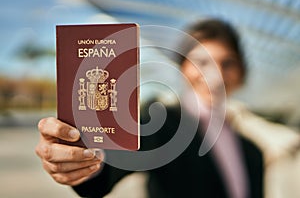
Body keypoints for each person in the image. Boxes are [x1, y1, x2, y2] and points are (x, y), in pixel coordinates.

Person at [36, 19, 264, 198]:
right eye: (202, 62)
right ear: (183, 67)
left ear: (241, 73)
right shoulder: (164, 123)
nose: (215, 74)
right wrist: (84, 163)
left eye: (227, 63)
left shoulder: (252, 150)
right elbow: (123, 154)